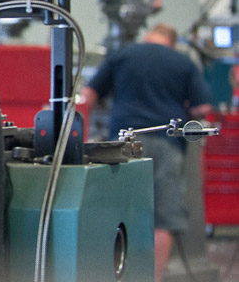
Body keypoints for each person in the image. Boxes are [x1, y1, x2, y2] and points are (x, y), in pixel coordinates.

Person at [80, 23, 214, 282]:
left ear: (148, 36)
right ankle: (153, 278)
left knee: (113, 211)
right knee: (164, 216)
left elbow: (88, 94)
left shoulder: (122, 55)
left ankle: (110, 275)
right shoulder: (182, 62)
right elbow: (202, 107)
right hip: (166, 144)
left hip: (121, 144)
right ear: (172, 42)